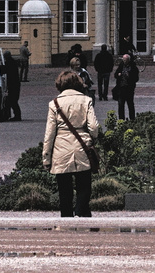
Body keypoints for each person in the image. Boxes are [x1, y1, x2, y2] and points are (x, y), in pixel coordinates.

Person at [42, 70, 101, 218]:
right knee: (84, 187)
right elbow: (94, 127)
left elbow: (49, 134)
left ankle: (66, 220)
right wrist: (92, 138)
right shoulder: (85, 100)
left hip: (61, 149)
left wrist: (46, 157)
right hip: (82, 148)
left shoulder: (54, 103)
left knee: (64, 191)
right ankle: (81, 214)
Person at [112, 52, 139, 120]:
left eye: (125, 60)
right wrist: (118, 75)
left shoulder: (133, 67)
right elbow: (115, 74)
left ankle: (132, 119)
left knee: (130, 104)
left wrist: (129, 76)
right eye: (123, 60)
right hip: (121, 88)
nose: (124, 61)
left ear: (128, 60)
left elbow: (136, 78)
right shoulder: (121, 65)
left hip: (129, 89)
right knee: (121, 105)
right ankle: (121, 119)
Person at [3, 50, 23, 122]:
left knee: (12, 101)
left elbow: (4, 70)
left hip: (13, 85)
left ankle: (16, 116)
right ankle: (14, 115)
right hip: (15, 84)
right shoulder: (12, 62)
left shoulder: (9, 63)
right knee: (12, 101)